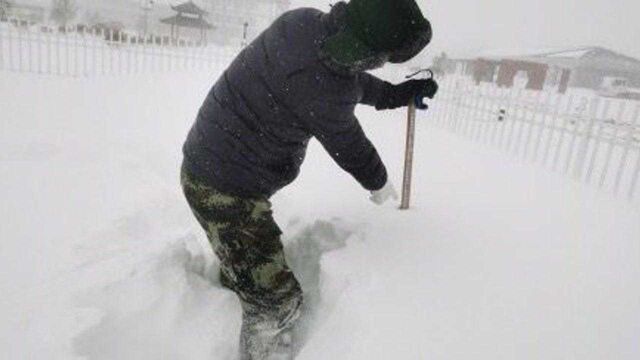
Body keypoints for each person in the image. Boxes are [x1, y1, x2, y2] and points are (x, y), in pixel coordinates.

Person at [180, 0, 438, 358]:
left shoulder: (304, 25)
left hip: (211, 165)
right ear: (363, 51)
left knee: (250, 269)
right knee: (277, 301)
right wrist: (379, 183)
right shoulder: (322, 87)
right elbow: (351, 145)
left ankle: (239, 287)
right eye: (381, 57)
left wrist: (398, 95)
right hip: (225, 192)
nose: (380, 64)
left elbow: (347, 80)